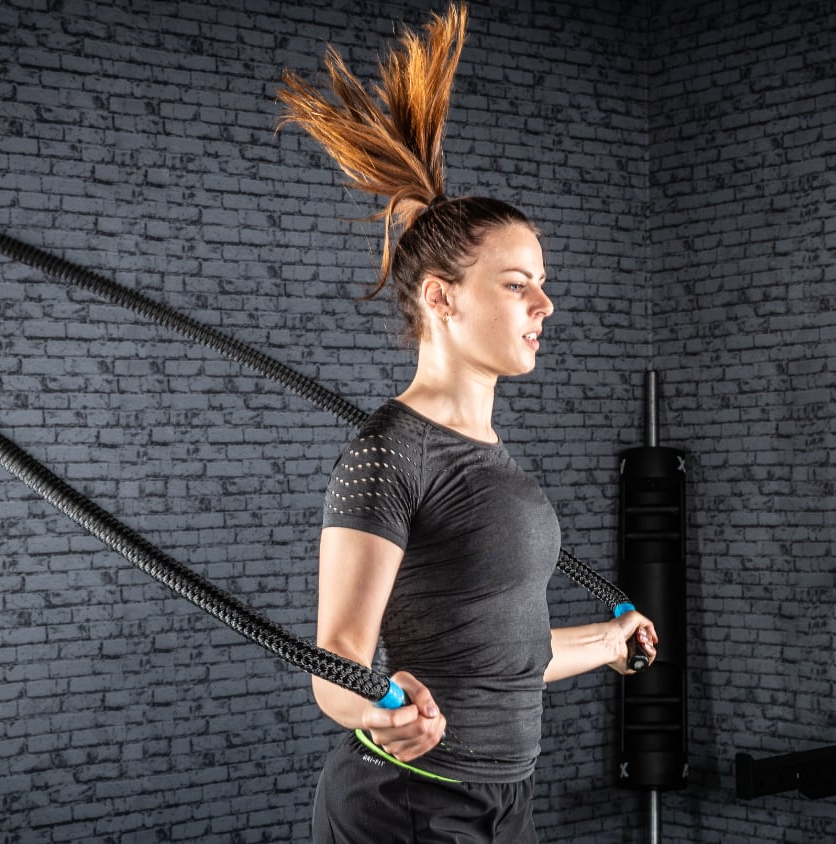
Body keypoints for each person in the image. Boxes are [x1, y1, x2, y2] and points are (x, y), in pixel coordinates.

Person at [276, 5, 659, 842]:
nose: (545, 304)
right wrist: (378, 710)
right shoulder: (387, 455)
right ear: (442, 298)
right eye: (517, 283)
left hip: (502, 800)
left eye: (542, 283)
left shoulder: (495, 462)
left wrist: (608, 640)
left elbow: (502, 659)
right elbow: (335, 662)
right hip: (408, 805)